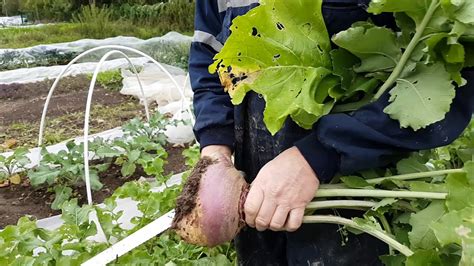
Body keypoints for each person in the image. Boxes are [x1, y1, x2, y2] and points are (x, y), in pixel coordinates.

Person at [189, 0, 474, 265]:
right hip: (256, 203)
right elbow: (209, 51)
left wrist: (318, 156)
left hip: (358, 205)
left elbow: (447, 77)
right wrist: (214, 151)